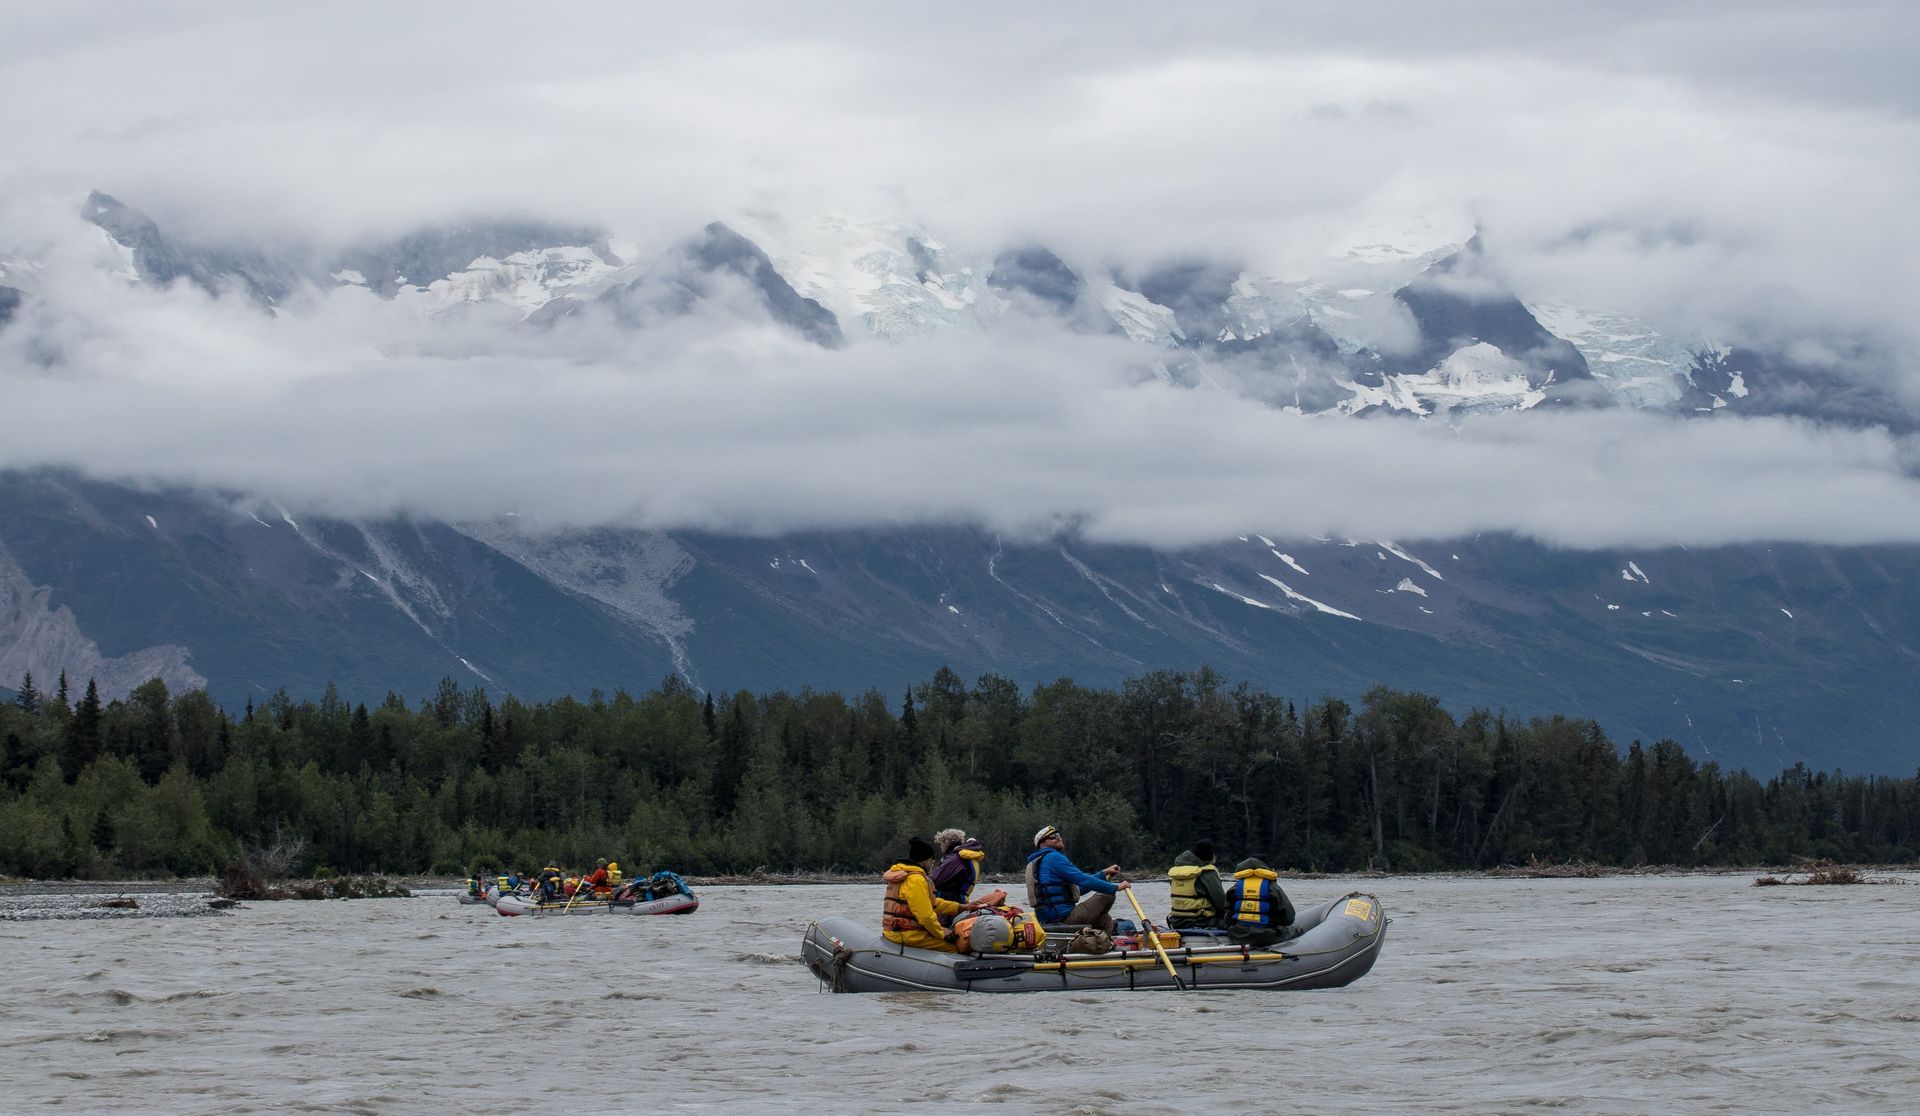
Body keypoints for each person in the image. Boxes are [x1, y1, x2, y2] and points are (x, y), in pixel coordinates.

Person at [1024, 824, 1129, 931]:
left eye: (1058, 835)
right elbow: (1083, 880)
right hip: (1065, 919)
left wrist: (1103, 873)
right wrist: (1116, 887)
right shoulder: (1054, 857)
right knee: (1108, 894)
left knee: (1104, 919)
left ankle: (1104, 940)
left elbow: (1077, 890)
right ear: (1043, 844)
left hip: (1049, 921)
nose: (1058, 837)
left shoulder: (1039, 862)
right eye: (1052, 837)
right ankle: (1103, 939)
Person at [882, 836, 978, 952]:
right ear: (925, 860)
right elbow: (925, 916)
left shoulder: (904, 874)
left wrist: (961, 907)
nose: (933, 862)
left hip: (896, 931)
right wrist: (941, 933)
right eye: (932, 859)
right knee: (959, 946)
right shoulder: (916, 880)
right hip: (907, 935)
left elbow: (932, 903)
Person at [1223, 856, 1297, 947]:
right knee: (1296, 930)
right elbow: (1289, 918)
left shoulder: (1234, 888)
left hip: (1237, 935)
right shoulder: (1273, 887)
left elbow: (1227, 918)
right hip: (1266, 935)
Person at [1167, 839, 1228, 929]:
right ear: (1210, 856)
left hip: (1176, 921)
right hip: (1201, 921)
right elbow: (1220, 902)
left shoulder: (1178, 871)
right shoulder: (1207, 872)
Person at [930, 830, 986, 906]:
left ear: (946, 842)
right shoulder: (963, 856)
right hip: (960, 899)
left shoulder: (954, 858)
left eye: (941, 843)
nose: (940, 846)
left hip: (950, 900)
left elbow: (935, 880)